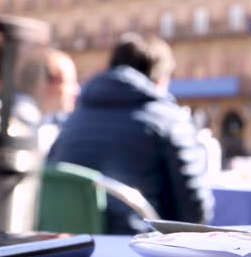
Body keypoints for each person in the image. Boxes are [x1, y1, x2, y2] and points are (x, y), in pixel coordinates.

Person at [47, 33, 214, 234]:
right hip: (134, 245)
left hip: (70, 244)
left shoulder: (74, 118)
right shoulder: (170, 118)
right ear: (160, 79)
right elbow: (195, 213)